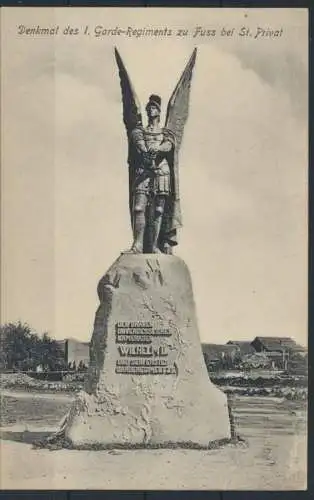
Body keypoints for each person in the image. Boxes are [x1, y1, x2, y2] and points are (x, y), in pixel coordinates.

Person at [127, 94, 176, 254]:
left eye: (153, 107)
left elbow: (169, 145)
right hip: (144, 170)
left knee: (158, 210)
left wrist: (159, 148)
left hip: (161, 171)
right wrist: (145, 150)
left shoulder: (165, 132)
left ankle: (154, 246)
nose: (150, 110)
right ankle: (138, 245)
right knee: (139, 208)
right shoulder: (139, 131)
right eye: (148, 108)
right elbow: (137, 141)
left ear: (159, 111)